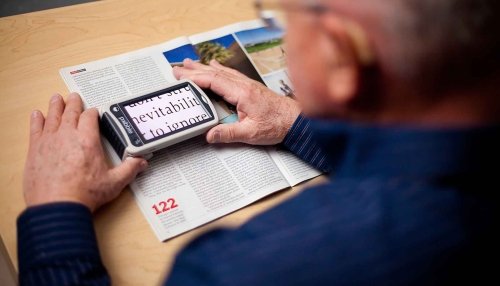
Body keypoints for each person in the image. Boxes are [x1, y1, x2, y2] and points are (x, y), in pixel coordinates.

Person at [18, 0, 499, 285]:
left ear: (343, 59)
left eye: (282, 21)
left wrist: (56, 209)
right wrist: (295, 123)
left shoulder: (239, 269)